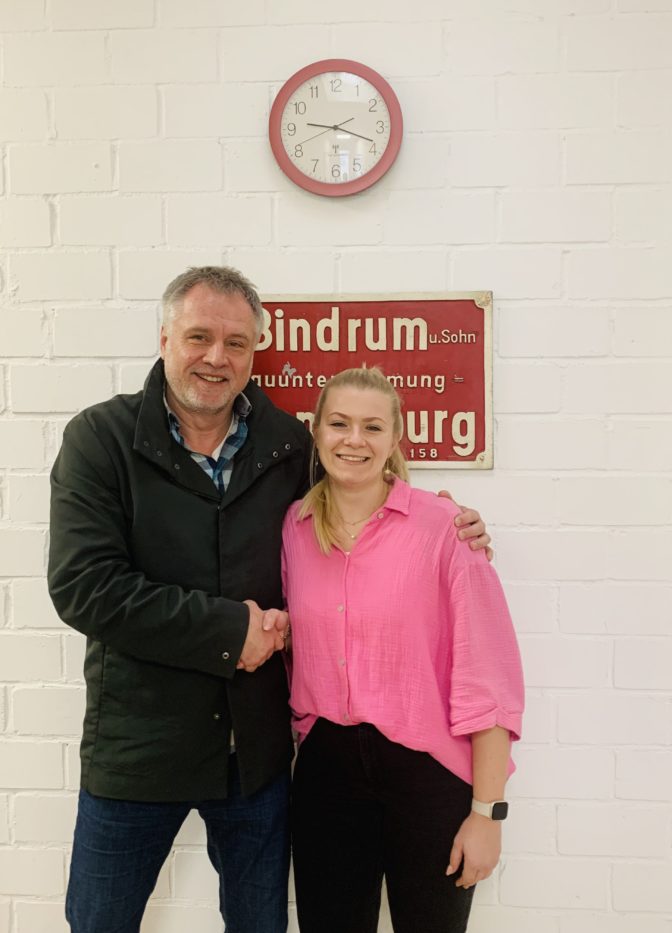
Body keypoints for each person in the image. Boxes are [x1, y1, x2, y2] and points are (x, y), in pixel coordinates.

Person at [47, 266, 492, 933]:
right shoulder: (100, 439)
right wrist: (231, 631)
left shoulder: (287, 444)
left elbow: (354, 501)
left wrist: (444, 520)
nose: (216, 357)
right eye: (199, 336)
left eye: (236, 342)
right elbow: (84, 586)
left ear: (255, 350)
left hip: (252, 759)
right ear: (164, 337)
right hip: (137, 748)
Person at [282, 367, 524, 933]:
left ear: (396, 437)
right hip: (326, 770)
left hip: (427, 774)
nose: (355, 440)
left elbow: (487, 679)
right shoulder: (294, 527)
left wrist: (488, 814)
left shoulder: (445, 529)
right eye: (339, 423)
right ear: (316, 431)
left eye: (372, 427)